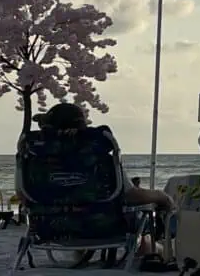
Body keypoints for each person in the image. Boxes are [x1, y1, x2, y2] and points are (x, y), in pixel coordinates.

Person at [18, 103, 173, 255]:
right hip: (104, 228)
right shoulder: (96, 154)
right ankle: (149, 248)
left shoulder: (34, 160)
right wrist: (162, 196)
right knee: (139, 212)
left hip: (49, 230)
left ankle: (78, 254)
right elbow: (129, 194)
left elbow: (24, 195)